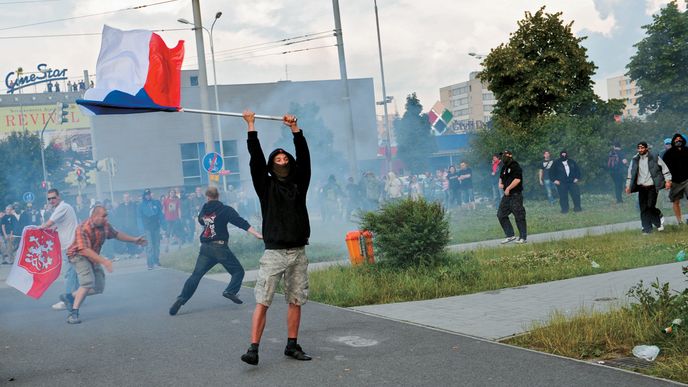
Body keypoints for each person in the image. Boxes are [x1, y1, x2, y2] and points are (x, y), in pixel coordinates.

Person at [240, 109, 312, 366]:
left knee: (295, 299)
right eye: (277, 159)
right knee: (263, 300)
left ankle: (292, 345)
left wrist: (295, 130)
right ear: (271, 166)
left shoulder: (299, 183)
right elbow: (256, 160)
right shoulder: (265, 185)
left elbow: (304, 158)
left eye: (284, 158)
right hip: (274, 253)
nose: (281, 161)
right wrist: (251, 125)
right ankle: (253, 348)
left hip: (298, 252)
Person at [169, 187, 262, 316]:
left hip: (206, 248)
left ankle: (181, 299)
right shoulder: (225, 210)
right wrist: (256, 233)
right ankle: (230, 291)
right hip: (220, 248)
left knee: (196, 275)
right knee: (238, 271)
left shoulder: (204, 209)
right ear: (218, 196)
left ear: (207, 197)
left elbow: (201, 220)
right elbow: (240, 222)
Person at [60, 206, 147, 324]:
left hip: (93, 255)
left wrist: (134, 240)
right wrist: (104, 261)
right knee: (87, 282)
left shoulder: (105, 225)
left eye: (106, 215)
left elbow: (116, 234)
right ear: (95, 216)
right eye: (103, 216)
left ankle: (70, 297)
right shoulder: (83, 228)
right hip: (78, 255)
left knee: (98, 287)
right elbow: (84, 250)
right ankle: (73, 314)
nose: (106, 218)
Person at [39, 189, 79, 310]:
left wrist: (37, 229)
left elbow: (48, 223)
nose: (51, 200)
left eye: (53, 198)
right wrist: (55, 228)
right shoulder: (65, 207)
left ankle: (68, 300)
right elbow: (62, 224)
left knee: (70, 274)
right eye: (49, 199)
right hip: (71, 245)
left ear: (59, 197)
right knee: (74, 274)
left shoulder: (62, 207)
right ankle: (76, 297)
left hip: (69, 246)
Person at [626, 141, 671, 234]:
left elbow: (665, 169)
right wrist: (628, 186)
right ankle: (647, 229)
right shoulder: (635, 159)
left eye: (642, 148)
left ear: (646, 148)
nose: (640, 150)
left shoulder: (654, 157)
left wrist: (668, 180)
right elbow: (630, 173)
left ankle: (658, 220)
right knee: (643, 208)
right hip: (641, 187)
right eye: (639, 148)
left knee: (650, 206)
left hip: (652, 186)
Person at [497, 150, 527, 244]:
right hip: (507, 196)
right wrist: (500, 183)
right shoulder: (504, 167)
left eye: (505, 155)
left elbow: (518, 179)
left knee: (519, 215)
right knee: (501, 214)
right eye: (502, 156)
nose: (503, 157)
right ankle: (510, 235)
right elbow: (501, 177)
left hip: (515, 195)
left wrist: (508, 188)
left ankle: (523, 237)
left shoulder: (515, 165)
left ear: (510, 155)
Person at [659, 134, 688, 224]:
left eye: (680, 139)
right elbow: (663, 168)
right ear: (673, 142)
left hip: (687, 179)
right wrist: (667, 180)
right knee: (676, 201)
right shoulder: (668, 153)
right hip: (675, 181)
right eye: (676, 140)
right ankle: (680, 221)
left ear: (683, 141)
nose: (678, 141)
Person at [138, 188, 163, 270]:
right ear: (144, 196)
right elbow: (139, 218)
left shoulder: (156, 203)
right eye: (146, 195)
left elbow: (160, 215)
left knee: (157, 245)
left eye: (148, 194)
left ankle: (156, 260)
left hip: (156, 227)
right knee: (149, 246)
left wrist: (163, 225)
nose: (147, 196)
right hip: (147, 228)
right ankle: (150, 263)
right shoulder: (141, 205)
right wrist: (141, 230)